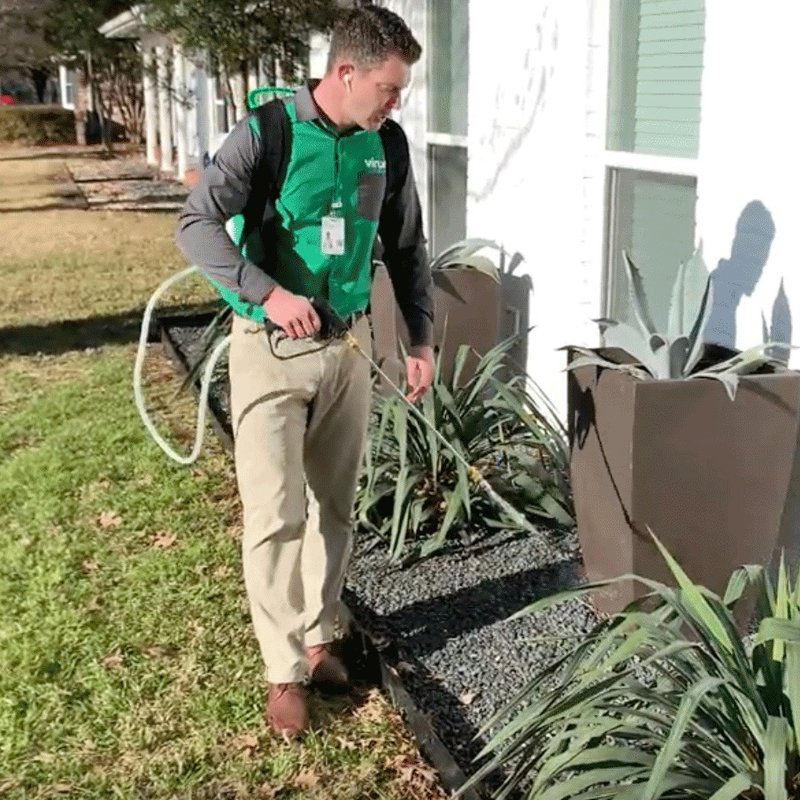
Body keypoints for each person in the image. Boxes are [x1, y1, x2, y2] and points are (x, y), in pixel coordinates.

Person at [175, 5, 434, 738]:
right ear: (345, 73)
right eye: (388, 87)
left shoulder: (387, 146)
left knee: (335, 507)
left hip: (349, 350)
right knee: (276, 514)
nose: (396, 102)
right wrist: (268, 292)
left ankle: (321, 636)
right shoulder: (268, 134)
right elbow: (194, 225)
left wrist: (420, 338)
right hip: (270, 351)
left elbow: (408, 245)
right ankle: (283, 670)